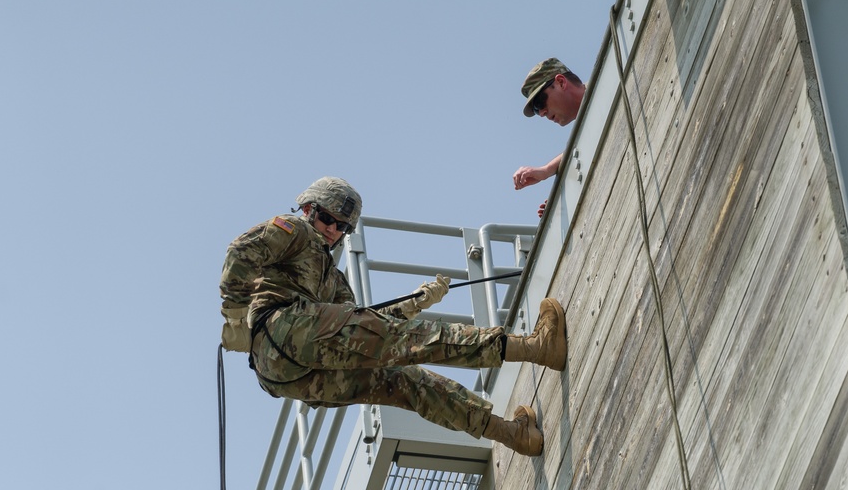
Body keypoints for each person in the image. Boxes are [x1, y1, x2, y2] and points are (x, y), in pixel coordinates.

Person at [220, 176, 568, 456]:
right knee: (412, 341)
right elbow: (240, 251)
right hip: (280, 330)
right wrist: (235, 318)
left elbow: (367, 328)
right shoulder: (296, 231)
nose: (331, 230)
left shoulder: (333, 281)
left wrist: (417, 302)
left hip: (288, 376)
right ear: (309, 208)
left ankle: (513, 435)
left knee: (406, 381)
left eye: (342, 226)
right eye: (326, 218)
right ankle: (535, 347)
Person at [512, 58, 587, 212]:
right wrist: (564, 202)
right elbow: (582, 148)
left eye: (540, 102)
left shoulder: (611, 84)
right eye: (536, 110)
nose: (541, 113)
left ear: (560, 82)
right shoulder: (587, 128)